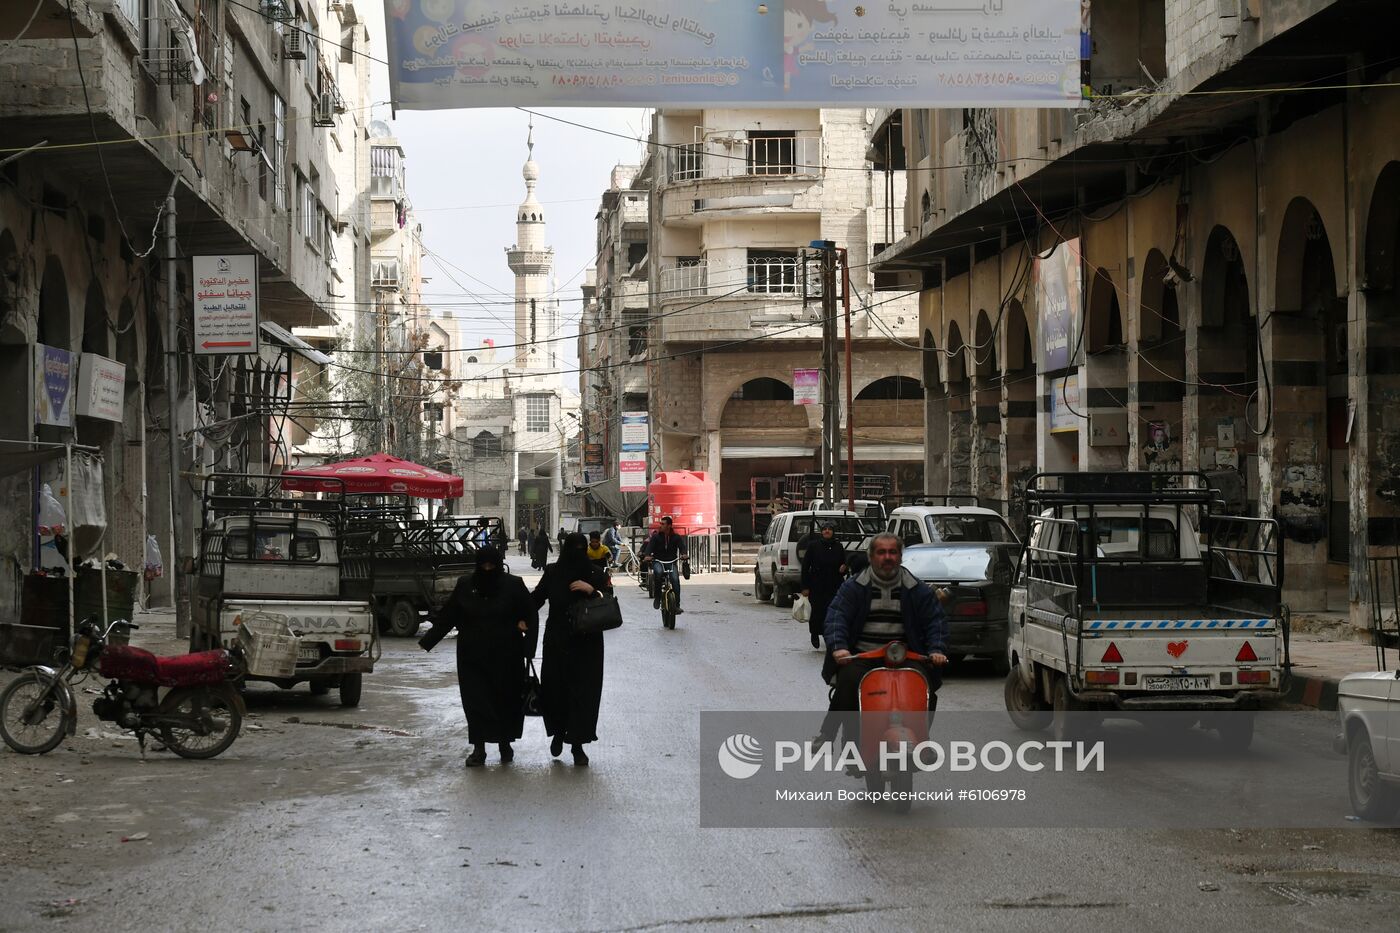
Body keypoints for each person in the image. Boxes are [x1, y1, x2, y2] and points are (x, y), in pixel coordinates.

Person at [819, 533, 948, 741]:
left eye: (892, 552)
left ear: (900, 556)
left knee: (926, 691)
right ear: (871, 557)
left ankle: (922, 740)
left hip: (907, 658)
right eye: (881, 552)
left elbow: (936, 620)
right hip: (862, 657)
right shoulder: (853, 587)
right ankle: (831, 734)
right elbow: (836, 617)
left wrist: (936, 649)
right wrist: (839, 647)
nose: (887, 557)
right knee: (848, 683)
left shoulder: (917, 589)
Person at [418, 546, 538, 767]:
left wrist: (528, 648)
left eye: (492, 566)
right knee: (476, 702)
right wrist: (428, 641)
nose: (488, 569)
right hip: (472, 657)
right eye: (483, 566)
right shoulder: (466, 585)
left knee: (506, 701)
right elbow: (450, 614)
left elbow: (530, 613)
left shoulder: (513, 585)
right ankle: (479, 749)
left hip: (507, 657)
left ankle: (505, 744)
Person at [531, 533, 611, 766]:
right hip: (557, 641)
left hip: (587, 645)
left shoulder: (596, 574)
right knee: (555, 689)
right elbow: (536, 598)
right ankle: (557, 733)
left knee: (583, 694)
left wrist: (592, 591)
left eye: (581, 548)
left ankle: (578, 745)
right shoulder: (553, 573)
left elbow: (609, 603)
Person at [800, 521, 847, 651]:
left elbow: (844, 564)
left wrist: (844, 568)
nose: (827, 531)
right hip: (817, 585)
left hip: (834, 585)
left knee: (831, 613)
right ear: (821, 532)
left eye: (829, 529)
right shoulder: (813, 546)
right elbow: (805, 567)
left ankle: (828, 636)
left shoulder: (838, 546)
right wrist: (805, 586)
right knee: (817, 612)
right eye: (824, 529)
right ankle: (815, 633)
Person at [641, 515, 689, 613]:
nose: (661, 526)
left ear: (669, 526)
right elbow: (649, 548)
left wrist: (684, 554)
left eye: (663, 524)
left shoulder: (676, 537)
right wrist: (647, 555)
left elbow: (682, 548)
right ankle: (657, 596)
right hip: (658, 561)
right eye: (660, 524)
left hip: (671, 562)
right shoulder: (655, 537)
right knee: (658, 572)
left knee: (675, 580)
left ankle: (677, 605)